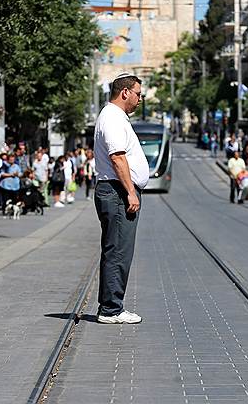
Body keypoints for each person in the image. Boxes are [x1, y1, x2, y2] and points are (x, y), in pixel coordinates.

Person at [93, 72, 148, 324]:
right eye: (138, 94)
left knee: (118, 249)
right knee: (118, 251)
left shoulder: (115, 117)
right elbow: (117, 157)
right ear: (125, 92)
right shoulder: (113, 118)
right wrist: (130, 191)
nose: (140, 99)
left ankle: (111, 305)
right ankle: (111, 309)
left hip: (116, 191)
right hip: (116, 192)